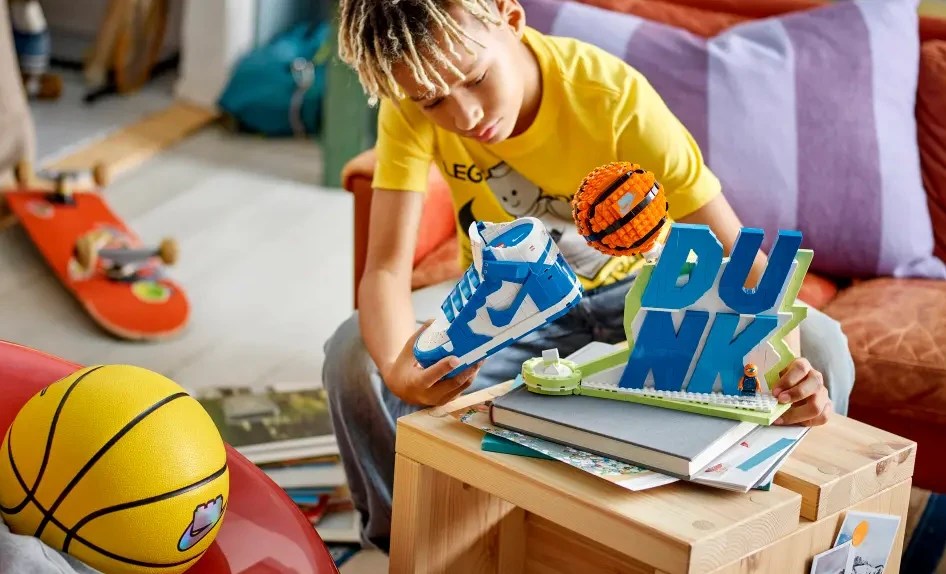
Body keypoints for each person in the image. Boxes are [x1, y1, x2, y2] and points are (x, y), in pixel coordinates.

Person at [322, 0, 854, 553]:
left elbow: (737, 254)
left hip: (641, 293)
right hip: (513, 305)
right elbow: (384, 268)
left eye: (476, 78)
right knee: (354, 356)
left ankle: (786, 537)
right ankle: (406, 545)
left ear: (510, 17)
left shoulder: (612, 95)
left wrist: (788, 378)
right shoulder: (412, 101)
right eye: (433, 101)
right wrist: (396, 370)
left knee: (822, 344)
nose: (463, 116)